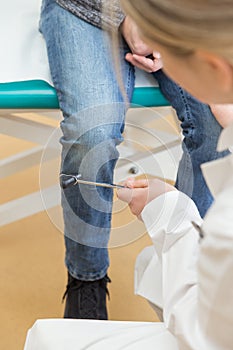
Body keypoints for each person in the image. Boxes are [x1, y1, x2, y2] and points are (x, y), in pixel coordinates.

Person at [39, 0, 226, 320]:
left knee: (215, 129)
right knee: (91, 134)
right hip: (86, 9)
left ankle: (190, 269)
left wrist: (170, 21)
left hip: (181, 10)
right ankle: (87, 279)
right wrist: (127, 15)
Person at [117, 0, 233, 348]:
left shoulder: (225, 225)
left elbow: (205, 334)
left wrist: (169, 210)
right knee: (152, 266)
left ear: (213, 66)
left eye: (169, 55)